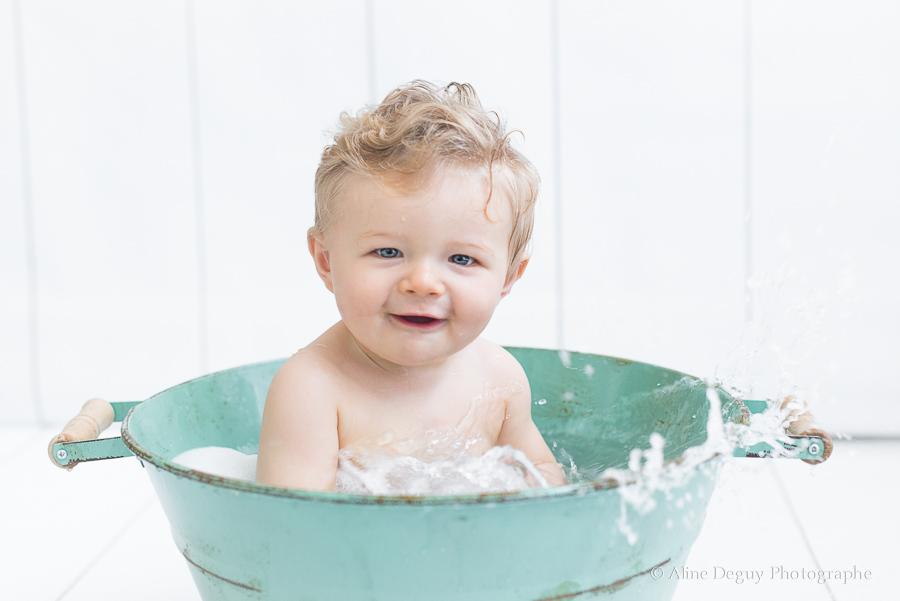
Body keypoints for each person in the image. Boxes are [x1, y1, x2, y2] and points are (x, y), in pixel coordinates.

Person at [256, 81, 566, 492]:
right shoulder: (312, 389)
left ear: (508, 276)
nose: (422, 283)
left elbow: (548, 484)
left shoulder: (499, 378)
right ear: (326, 261)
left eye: (461, 259)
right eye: (387, 252)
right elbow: (294, 528)